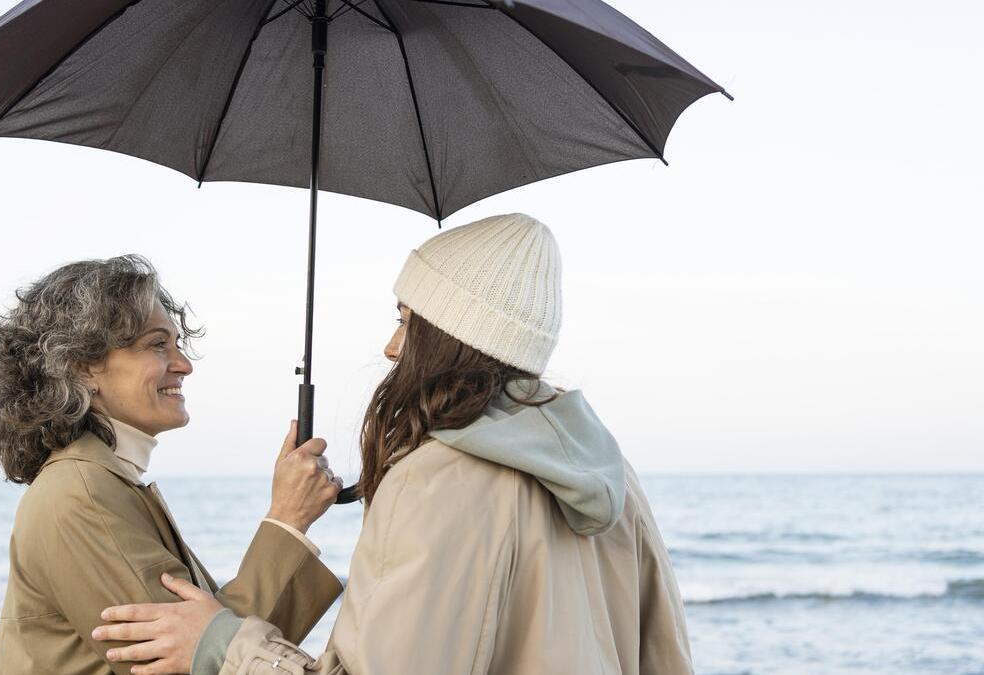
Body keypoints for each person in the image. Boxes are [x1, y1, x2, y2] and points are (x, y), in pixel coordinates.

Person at [94, 214, 693, 674]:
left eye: (406, 320)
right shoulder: (612, 476)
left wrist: (220, 643)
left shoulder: (436, 479)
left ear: (448, 337)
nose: (390, 346)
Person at [0, 255, 344, 675]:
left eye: (177, 344)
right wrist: (288, 520)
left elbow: (211, 638)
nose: (184, 364)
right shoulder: (81, 494)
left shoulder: (105, 482)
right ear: (83, 366)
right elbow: (200, 659)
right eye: (156, 344)